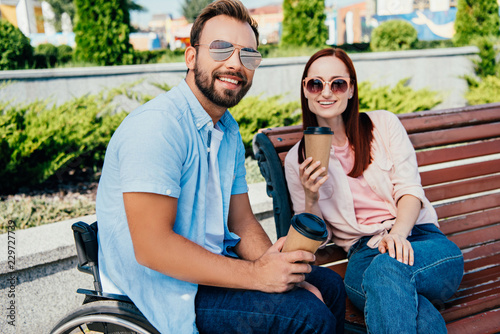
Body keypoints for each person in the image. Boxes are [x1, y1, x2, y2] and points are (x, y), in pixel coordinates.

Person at [96, 1, 346, 333]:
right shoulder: (157, 127)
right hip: (163, 286)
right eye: (221, 49)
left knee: (327, 286)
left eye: (248, 56)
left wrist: (278, 268)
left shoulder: (226, 129)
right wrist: (258, 275)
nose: (235, 64)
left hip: (208, 269)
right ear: (190, 57)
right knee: (304, 315)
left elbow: (240, 221)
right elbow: (153, 248)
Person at [284, 48, 464, 333]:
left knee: (387, 271)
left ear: (351, 89)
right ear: (305, 90)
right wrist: (311, 195)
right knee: (420, 315)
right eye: (316, 83)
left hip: (420, 239)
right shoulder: (298, 160)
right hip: (363, 255)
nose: (326, 92)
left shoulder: (383, 124)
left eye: (338, 83)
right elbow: (318, 239)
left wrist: (397, 236)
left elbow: (409, 189)